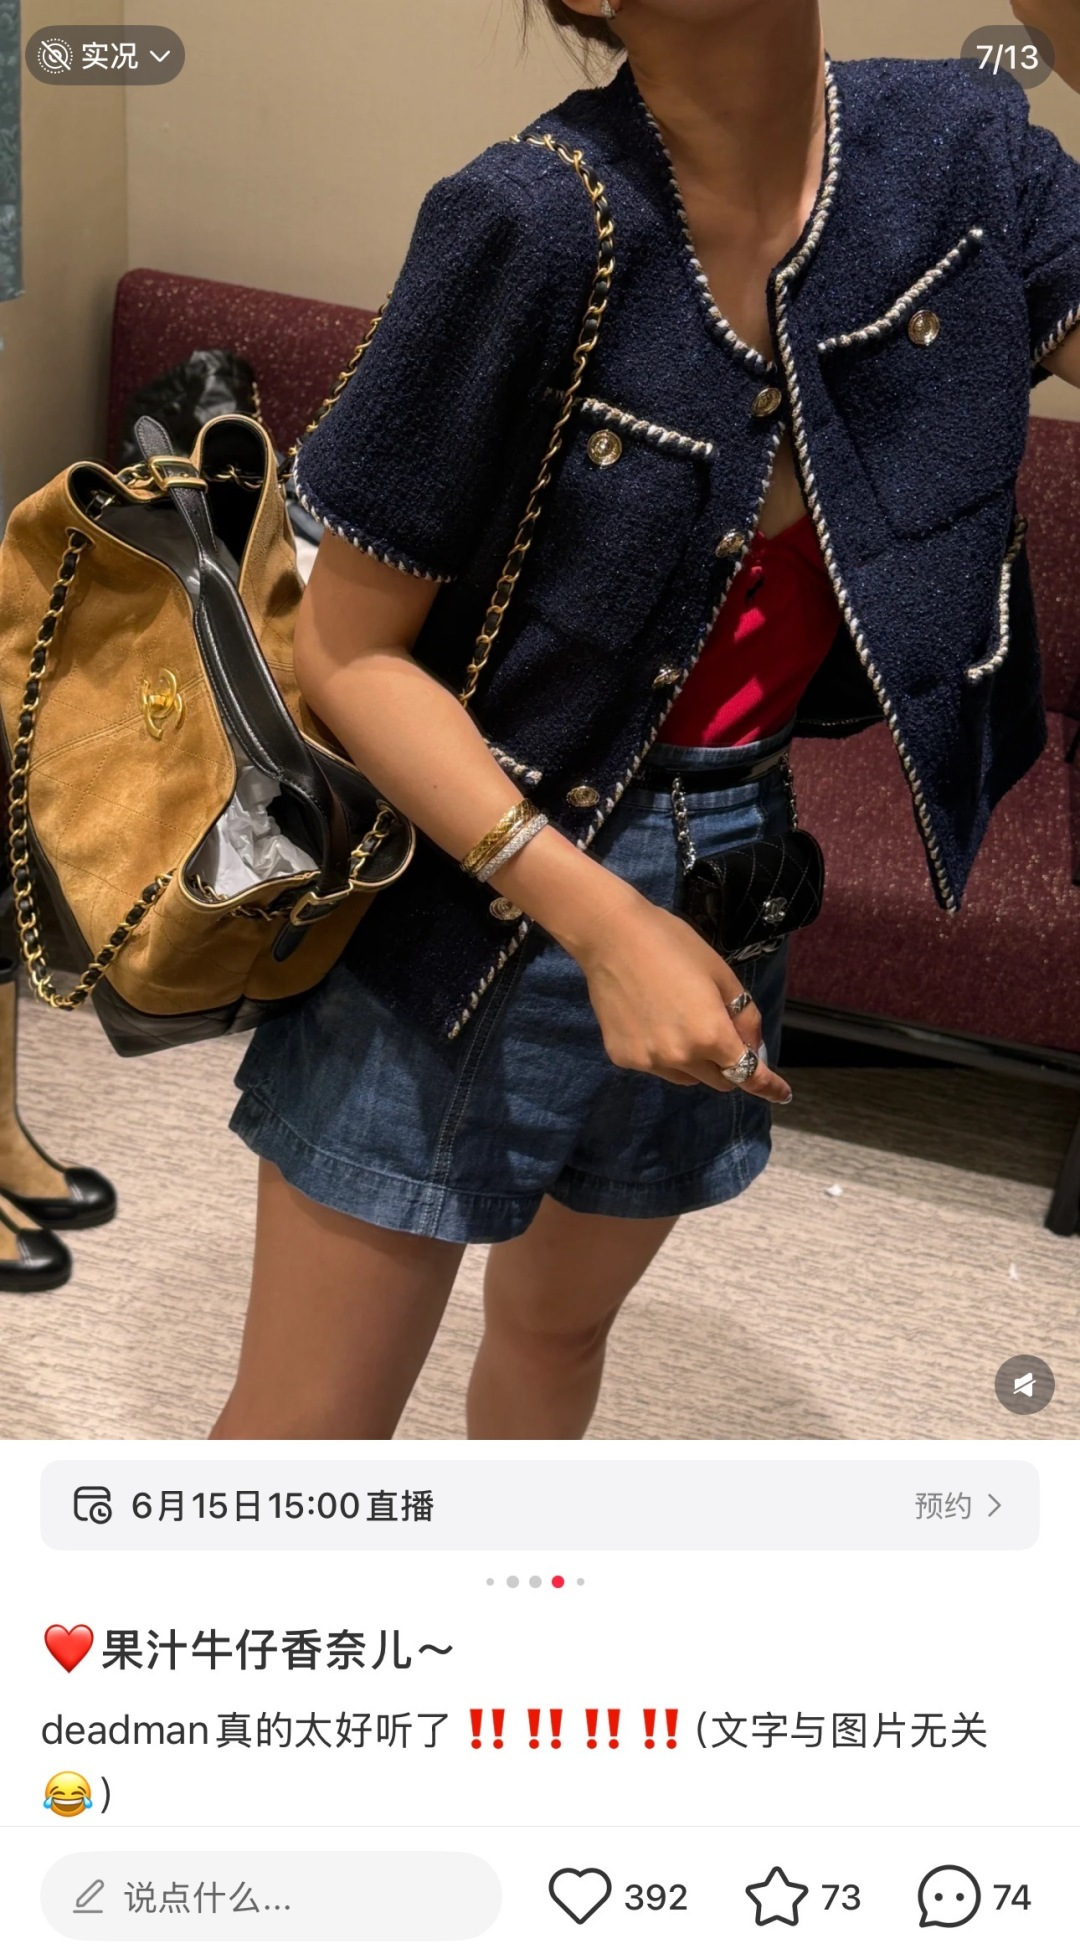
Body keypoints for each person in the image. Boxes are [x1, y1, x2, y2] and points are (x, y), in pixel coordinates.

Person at [218, 0, 1080, 1441]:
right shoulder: (529, 223)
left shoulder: (962, 153)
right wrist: (606, 925)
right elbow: (346, 654)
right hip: (468, 886)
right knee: (302, 1446)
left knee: (558, 1338)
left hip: (736, 865)